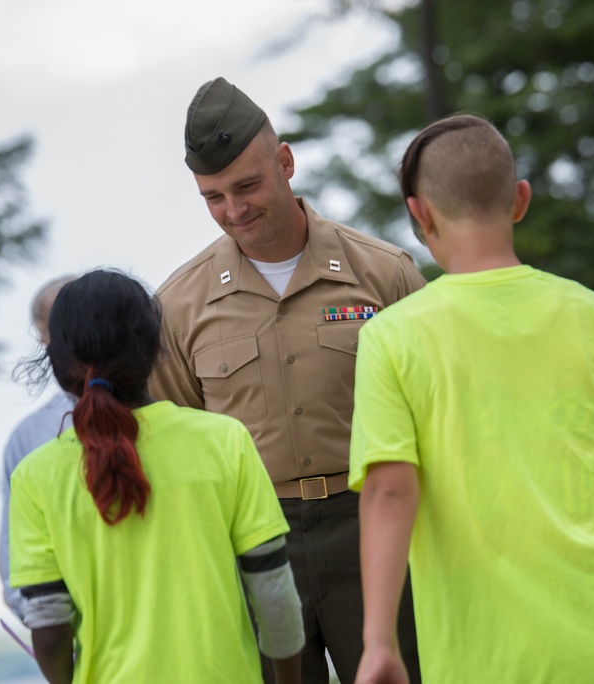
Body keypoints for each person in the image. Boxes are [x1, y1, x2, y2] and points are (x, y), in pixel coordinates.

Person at [349, 114, 594, 684]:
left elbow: (390, 490)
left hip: (495, 659)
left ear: (419, 214)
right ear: (520, 200)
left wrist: (378, 643)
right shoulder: (592, 312)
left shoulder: (391, 338)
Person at [148, 77, 424, 684]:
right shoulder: (178, 306)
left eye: (246, 186)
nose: (234, 210)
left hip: (373, 532)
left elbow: (433, 421)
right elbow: (178, 446)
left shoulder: (385, 275)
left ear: (286, 161)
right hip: (255, 546)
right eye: (213, 197)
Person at [8, 269, 304, 683]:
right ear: (154, 348)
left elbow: (50, 628)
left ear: (58, 364)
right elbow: (273, 593)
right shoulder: (223, 440)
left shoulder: (35, 477)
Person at [0, 275, 76, 620]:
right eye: (58, 324)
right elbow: (16, 562)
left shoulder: (171, 403)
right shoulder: (28, 441)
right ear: (42, 339)